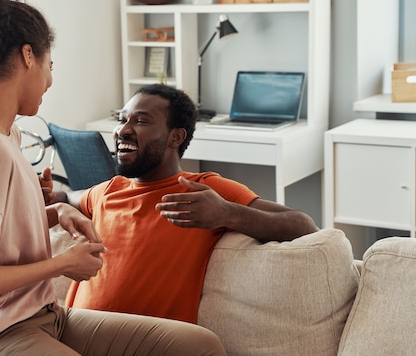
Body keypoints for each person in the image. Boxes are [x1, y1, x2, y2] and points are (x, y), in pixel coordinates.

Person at [0, 0, 226, 356]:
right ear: (28, 55)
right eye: (50, 65)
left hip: (41, 317)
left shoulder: (4, 135)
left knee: (200, 347)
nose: (49, 81)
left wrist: (55, 211)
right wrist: (60, 264)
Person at [49, 83, 319, 324]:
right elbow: (68, 197)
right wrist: (54, 198)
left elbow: (303, 225)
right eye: (122, 119)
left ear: (175, 137)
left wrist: (228, 214)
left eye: (141, 121)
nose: (123, 130)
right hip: (76, 332)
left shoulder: (203, 189)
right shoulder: (108, 190)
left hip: (152, 344)